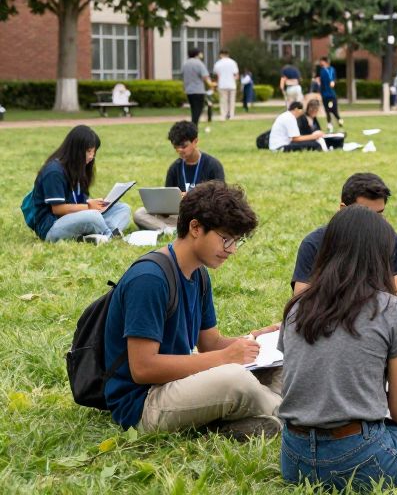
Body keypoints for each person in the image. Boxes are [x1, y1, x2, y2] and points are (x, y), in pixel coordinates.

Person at [278, 206, 397, 491]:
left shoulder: (297, 307)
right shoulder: (391, 309)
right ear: (382, 255)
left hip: (294, 460)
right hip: (361, 459)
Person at [103, 181, 282, 436]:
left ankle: (236, 422)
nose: (231, 250)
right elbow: (142, 369)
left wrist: (255, 338)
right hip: (144, 403)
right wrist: (224, 359)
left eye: (236, 241)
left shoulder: (198, 275)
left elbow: (211, 344)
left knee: (281, 367)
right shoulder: (150, 279)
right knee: (235, 380)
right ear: (195, 227)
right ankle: (294, 419)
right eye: (226, 239)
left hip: (180, 383)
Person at [291, 173, 397, 335]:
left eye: (379, 214)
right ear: (343, 209)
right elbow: (300, 303)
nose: (373, 222)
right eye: (366, 214)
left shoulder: (392, 240)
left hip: (377, 319)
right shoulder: (315, 243)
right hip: (332, 320)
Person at [28, 125, 132, 242]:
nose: (92, 156)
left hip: (76, 218)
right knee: (93, 216)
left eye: (94, 152)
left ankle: (101, 233)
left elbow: (79, 201)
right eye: (88, 151)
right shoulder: (54, 171)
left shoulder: (78, 168)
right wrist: (88, 207)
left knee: (123, 208)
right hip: (52, 226)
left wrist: (98, 204)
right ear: (75, 150)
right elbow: (57, 209)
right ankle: (109, 235)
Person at [133, 121, 226, 231]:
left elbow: (221, 199)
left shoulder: (212, 165)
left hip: (204, 215)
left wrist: (191, 198)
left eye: (183, 146)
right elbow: (167, 201)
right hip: (179, 216)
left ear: (195, 141)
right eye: (176, 147)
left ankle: (174, 229)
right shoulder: (174, 168)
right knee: (140, 213)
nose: (179, 150)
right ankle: (169, 230)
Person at [181, 48, 213, 126]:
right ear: (197, 54)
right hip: (198, 90)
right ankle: (194, 124)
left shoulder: (185, 64)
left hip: (189, 90)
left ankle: (194, 123)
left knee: (193, 108)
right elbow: (205, 76)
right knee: (199, 108)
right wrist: (211, 85)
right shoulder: (199, 63)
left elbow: (182, 75)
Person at [211, 49, 239, 121]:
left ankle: (223, 115)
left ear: (220, 55)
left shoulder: (218, 63)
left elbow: (217, 75)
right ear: (228, 54)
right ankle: (231, 116)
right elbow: (236, 75)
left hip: (222, 84)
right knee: (232, 101)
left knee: (223, 101)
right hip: (232, 84)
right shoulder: (233, 62)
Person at [316, 56, 341, 131]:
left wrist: (333, 81)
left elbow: (333, 78)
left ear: (325, 61)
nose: (320, 63)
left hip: (332, 94)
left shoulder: (332, 69)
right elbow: (319, 81)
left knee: (333, 109)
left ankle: (339, 119)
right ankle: (329, 124)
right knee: (327, 110)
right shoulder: (321, 70)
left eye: (321, 61)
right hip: (324, 94)